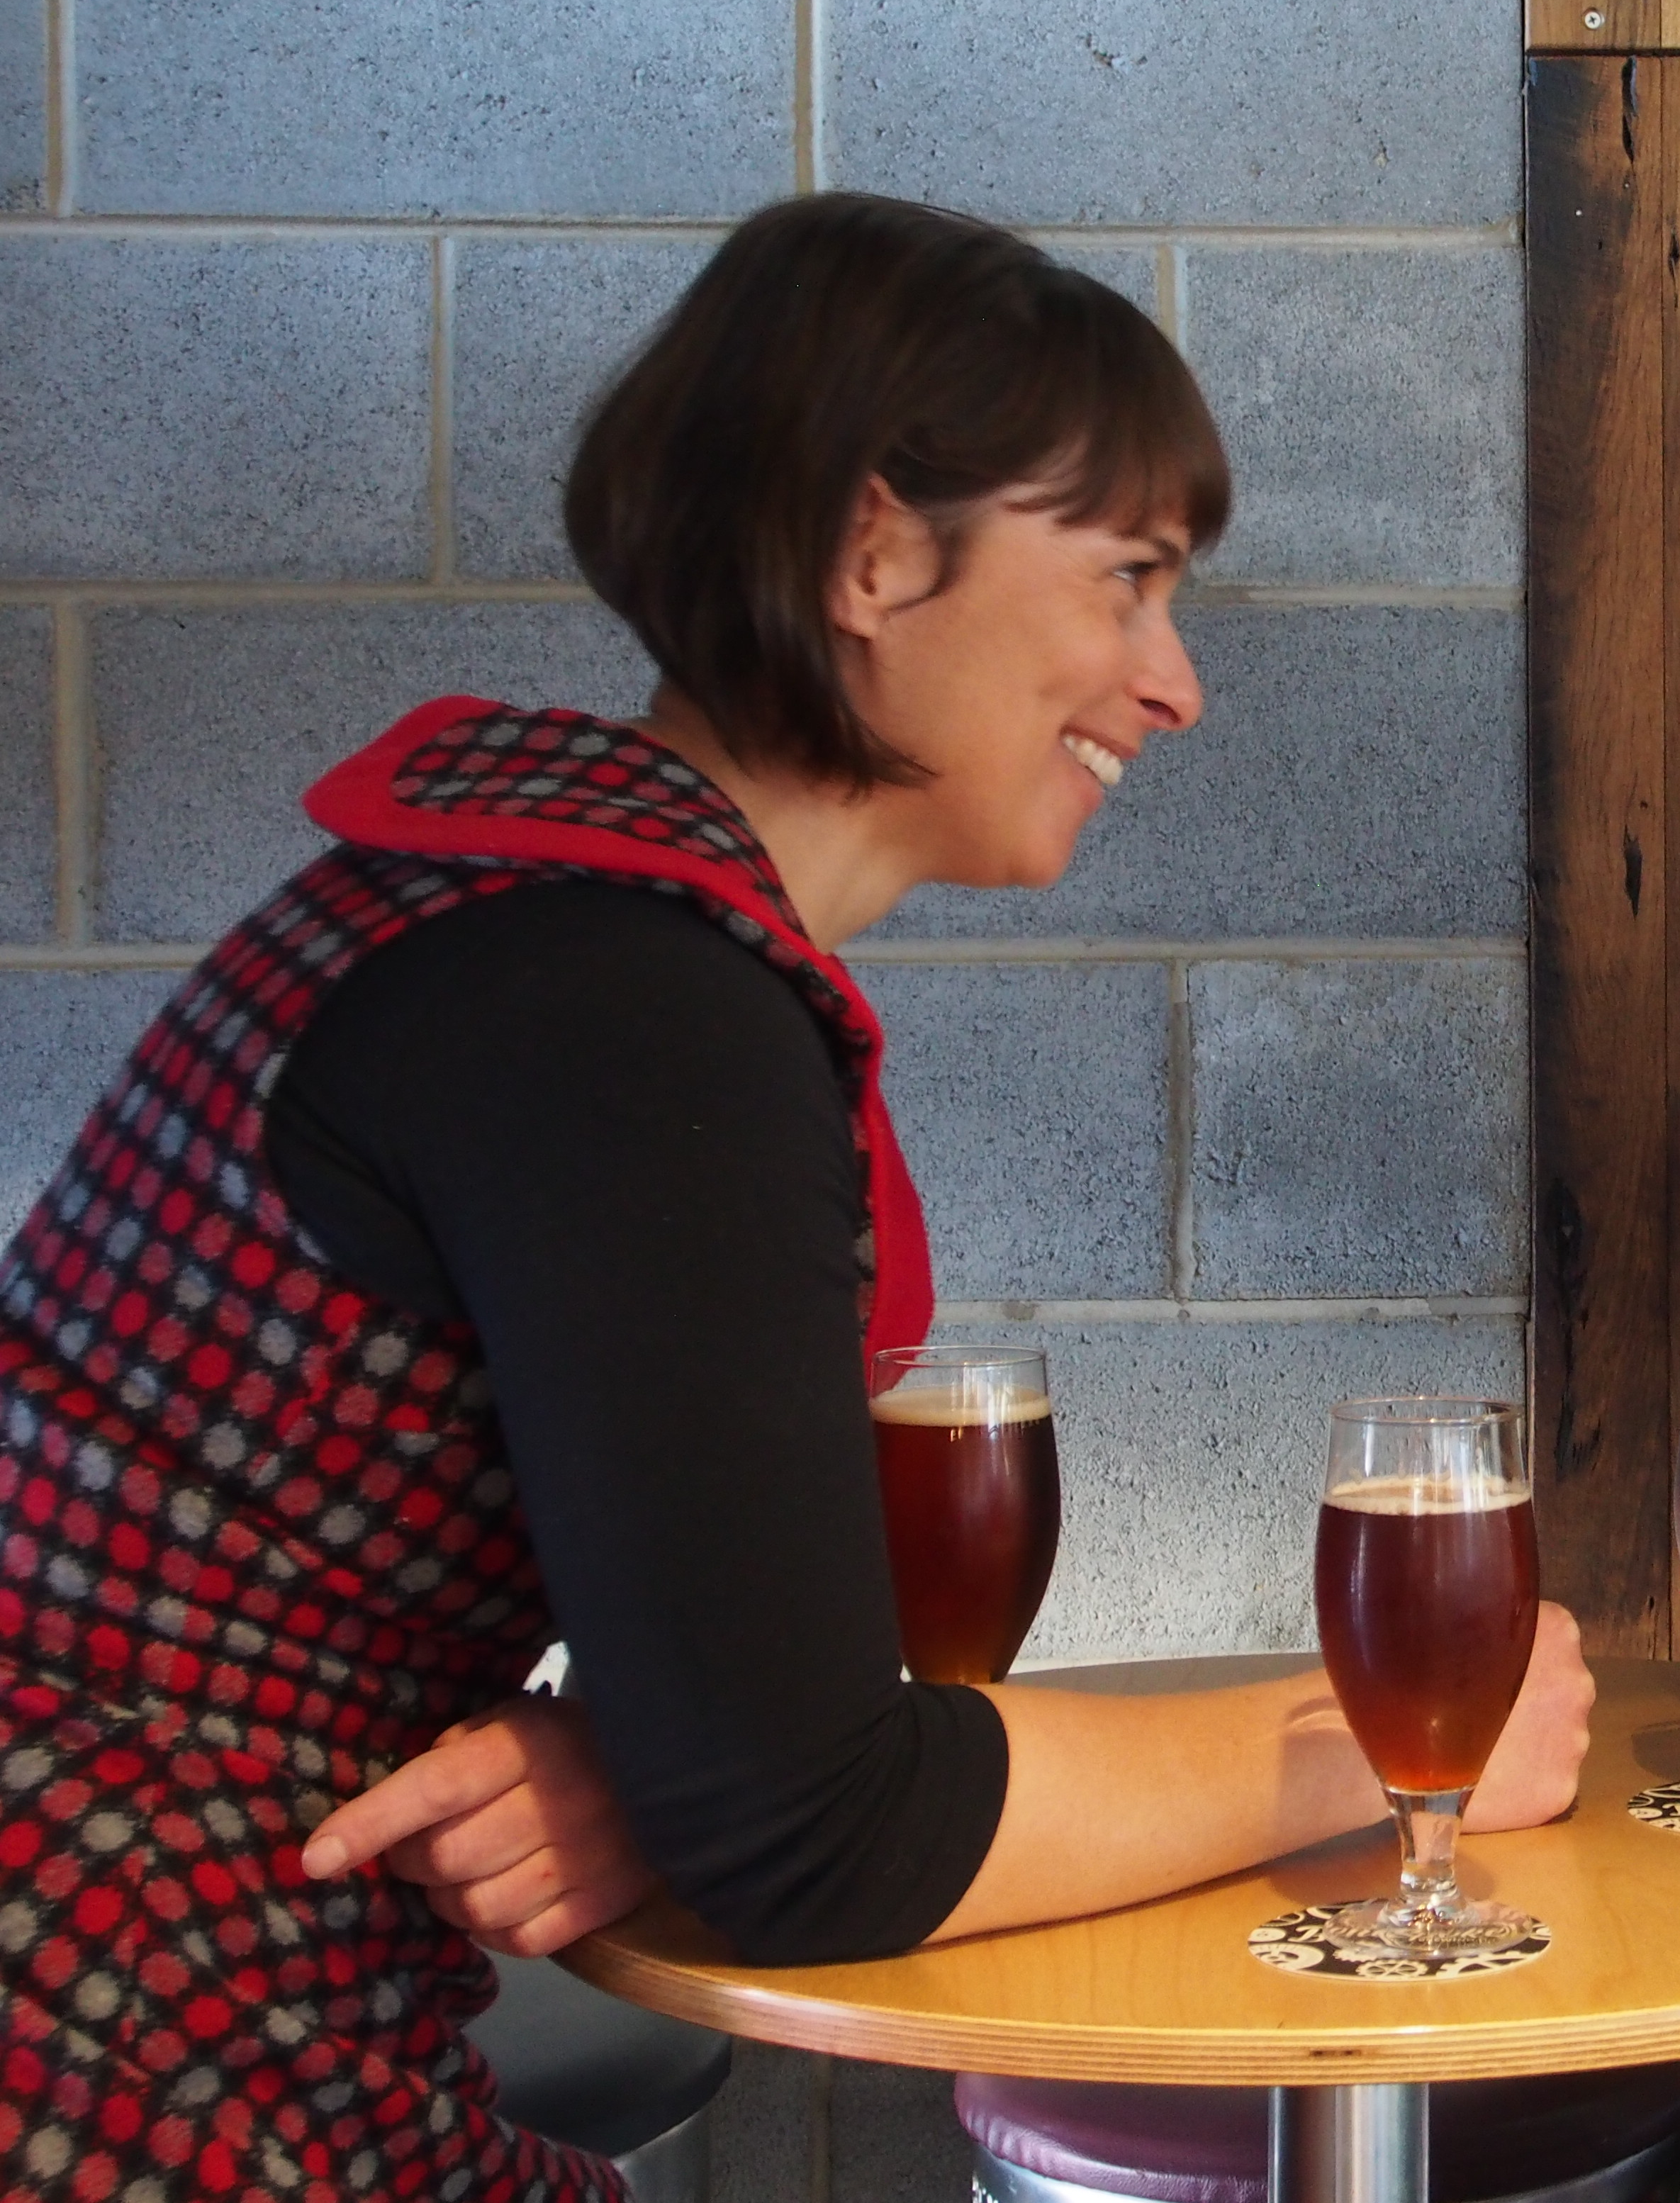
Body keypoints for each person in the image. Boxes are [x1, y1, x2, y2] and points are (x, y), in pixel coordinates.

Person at [0, 194, 1595, 2202]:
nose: (1170, 684)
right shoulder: (625, 1006)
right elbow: (820, 1845)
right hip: (117, 2040)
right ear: (873, 553)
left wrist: (678, 1769)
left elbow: (745, 1757)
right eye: (1124, 579)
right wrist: (1389, 1740)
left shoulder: (539, 918)